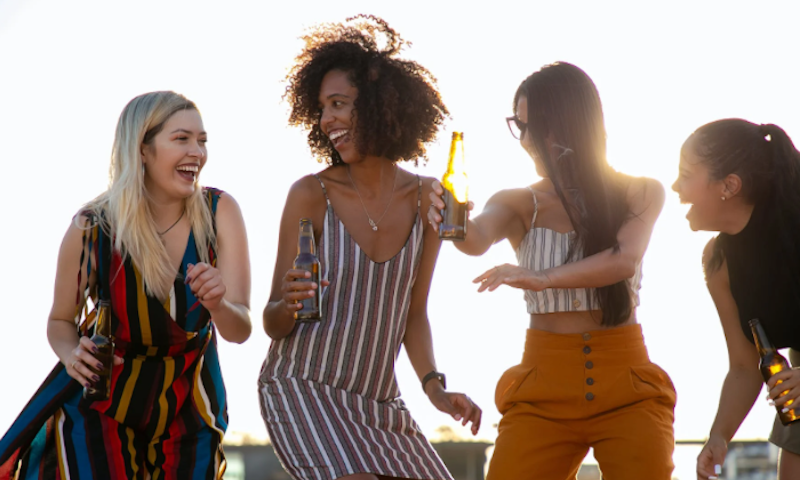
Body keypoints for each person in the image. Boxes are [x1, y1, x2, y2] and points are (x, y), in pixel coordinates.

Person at [258, 15, 481, 480]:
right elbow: (272, 321)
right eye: (321, 108)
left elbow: (413, 313)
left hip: (378, 402)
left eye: (338, 104)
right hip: (302, 388)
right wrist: (291, 303)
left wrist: (435, 389)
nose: (327, 120)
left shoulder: (428, 199)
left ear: (380, 105)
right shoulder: (309, 194)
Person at [428, 62, 676, 480]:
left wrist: (542, 278)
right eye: (517, 125)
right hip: (542, 385)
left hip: (627, 385)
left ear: (570, 123)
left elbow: (622, 260)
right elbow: (474, 239)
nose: (524, 140)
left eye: (532, 126)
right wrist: (450, 218)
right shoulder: (518, 201)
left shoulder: (641, 190)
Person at [0, 91, 252, 479]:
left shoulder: (220, 212)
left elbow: (240, 330)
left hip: (190, 402)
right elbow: (60, 320)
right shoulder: (92, 225)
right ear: (143, 150)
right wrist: (72, 356)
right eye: (182, 139)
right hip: (103, 403)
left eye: (202, 141)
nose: (197, 153)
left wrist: (218, 303)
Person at [672, 119, 800, 480]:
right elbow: (745, 367)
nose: (675, 187)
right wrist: (719, 436)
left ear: (729, 185)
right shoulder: (719, 263)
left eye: (684, 174)